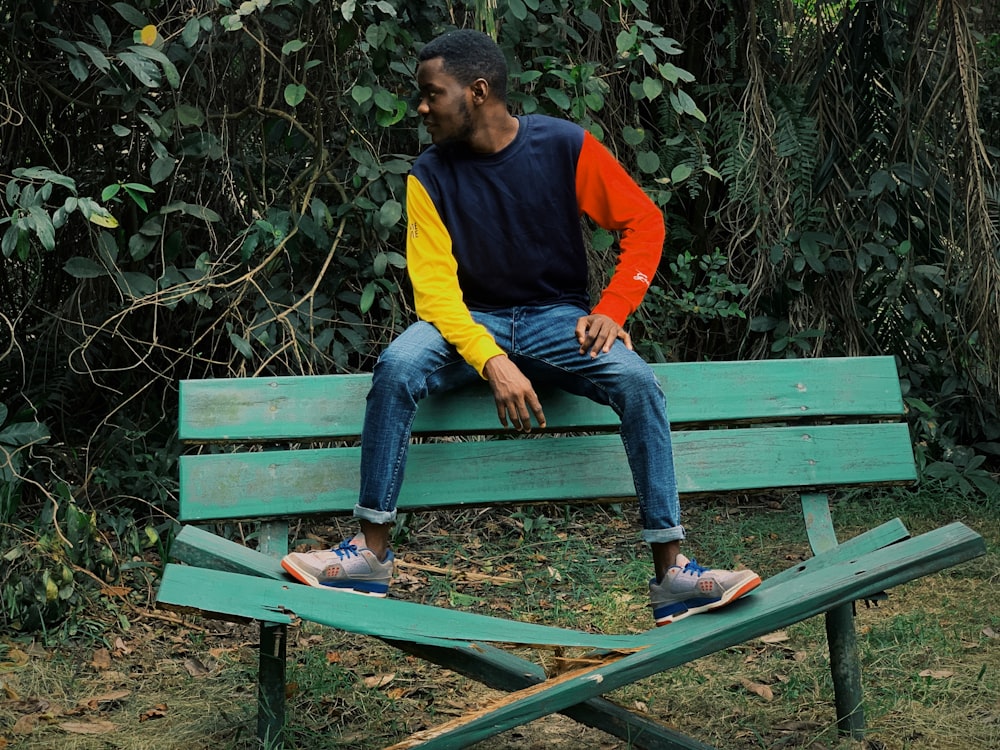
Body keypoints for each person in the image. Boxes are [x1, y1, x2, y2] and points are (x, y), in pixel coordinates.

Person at [281, 29, 761, 625]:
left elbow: (645, 222)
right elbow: (434, 293)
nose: (421, 108)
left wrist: (612, 310)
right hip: (467, 322)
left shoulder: (563, 146)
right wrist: (491, 359)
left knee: (637, 382)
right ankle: (368, 558)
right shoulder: (428, 174)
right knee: (400, 364)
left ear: (478, 91)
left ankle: (672, 575)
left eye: (432, 94)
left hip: (557, 321)